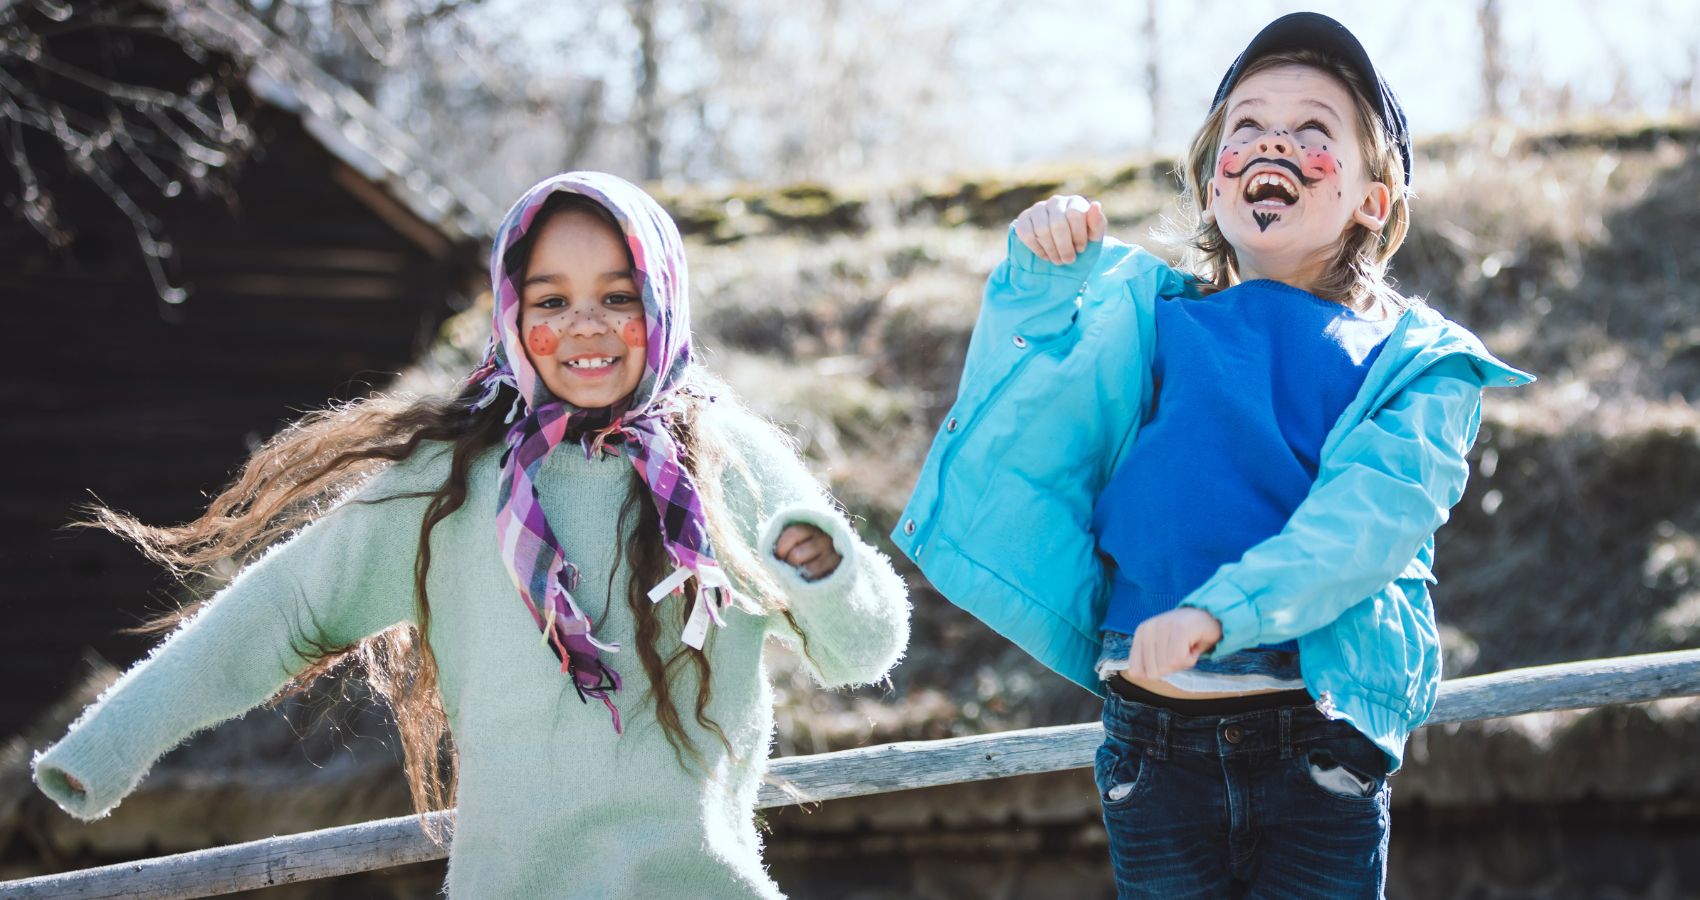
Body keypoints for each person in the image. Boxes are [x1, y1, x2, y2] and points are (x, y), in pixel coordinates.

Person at [33, 171, 910, 899]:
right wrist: (104, 752)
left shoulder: (731, 464)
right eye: (552, 299)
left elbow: (863, 651)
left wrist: (826, 571)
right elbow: (277, 611)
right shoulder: (452, 482)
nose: (585, 326)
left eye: (619, 296)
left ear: (666, 300)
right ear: (510, 313)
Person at [892, 12, 1530, 898]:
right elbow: (1032, 393)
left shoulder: (1413, 367)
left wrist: (1221, 615)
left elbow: (1364, 526)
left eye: (1314, 131)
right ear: (1212, 183)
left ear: (1370, 201)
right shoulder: (1148, 316)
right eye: (1248, 126)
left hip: (1316, 744)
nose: (1274, 142)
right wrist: (1040, 272)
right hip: (1152, 749)